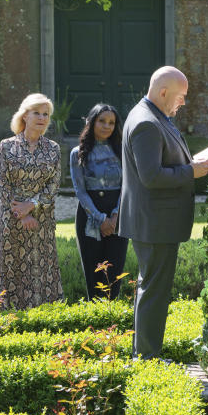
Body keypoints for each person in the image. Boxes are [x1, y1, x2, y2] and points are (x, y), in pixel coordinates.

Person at [119, 66, 208, 360]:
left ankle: (145, 352)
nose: (183, 102)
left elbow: (163, 161)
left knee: (150, 288)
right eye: (181, 96)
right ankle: (147, 357)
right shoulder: (147, 122)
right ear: (163, 92)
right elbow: (151, 177)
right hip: (154, 222)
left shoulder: (155, 115)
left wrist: (190, 163)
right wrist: (191, 171)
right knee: (154, 291)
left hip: (154, 220)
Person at [0, 93, 63, 309]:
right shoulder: (6, 146)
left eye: (46, 114)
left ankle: (42, 324)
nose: (42, 118)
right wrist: (20, 213)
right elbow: (3, 185)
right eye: (37, 113)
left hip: (41, 223)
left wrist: (31, 206)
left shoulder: (53, 149)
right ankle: (7, 324)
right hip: (10, 221)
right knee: (9, 272)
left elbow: (53, 186)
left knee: (41, 274)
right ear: (24, 116)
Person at [70, 103, 128, 300]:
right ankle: (95, 323)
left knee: (114, 273)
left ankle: (112, 320)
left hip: (118, 217)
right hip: (89, 216)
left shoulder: (123, 151)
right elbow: (80, 190)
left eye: (111, 122)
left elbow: (127, 186)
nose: (106, 126)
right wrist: (100, 219)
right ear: (92, 122)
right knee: (94, 273)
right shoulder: (77, 153)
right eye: (102, 121)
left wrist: (114, 216)